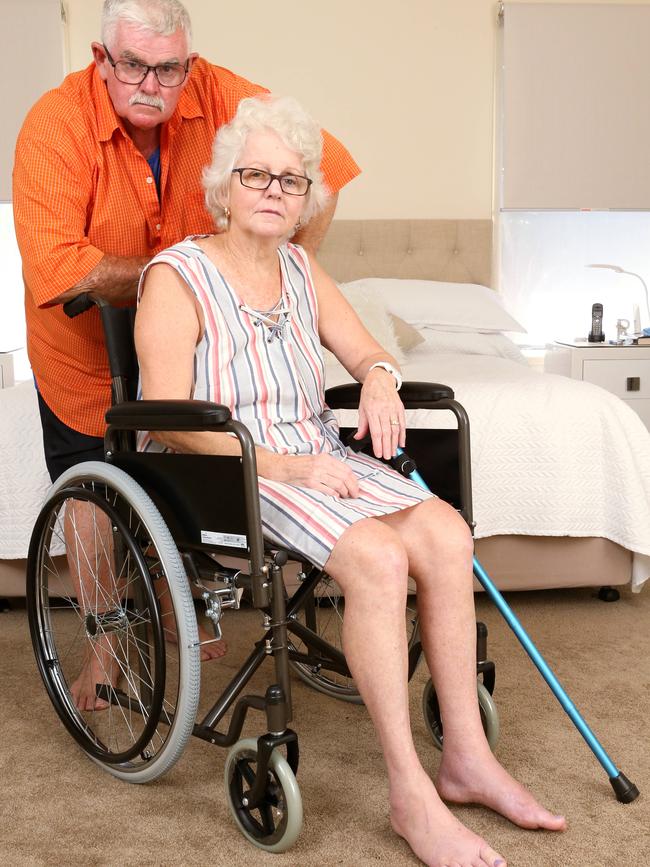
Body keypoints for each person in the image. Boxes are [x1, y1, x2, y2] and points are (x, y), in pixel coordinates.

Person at [134, 93, 566, 867]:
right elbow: (165, 419)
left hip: (319, 454)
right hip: (230, 467)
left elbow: (370, 353)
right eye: (257, 174)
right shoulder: (179, 276)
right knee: (376, 556)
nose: (273, 190)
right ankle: (410, 790)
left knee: (446, 532)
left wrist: (380, 379)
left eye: (291, 180)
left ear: (307, 200)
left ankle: (465, 757)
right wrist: (284, 464)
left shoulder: (301, 268)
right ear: (225, 186)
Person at [12, 0, 358, 707]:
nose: (151, 83)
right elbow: (59, 267)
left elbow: (325, 170)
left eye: (168, 68)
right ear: (102, 60)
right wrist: (191, 274)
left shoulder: (222, 94)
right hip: (83, 349)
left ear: (188, 64)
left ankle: (172, 601)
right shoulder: (54, 123)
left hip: (203, 339)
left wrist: (275, 273)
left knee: (186, 456)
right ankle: (109, 646)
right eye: (132, 64)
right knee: (96, 481)